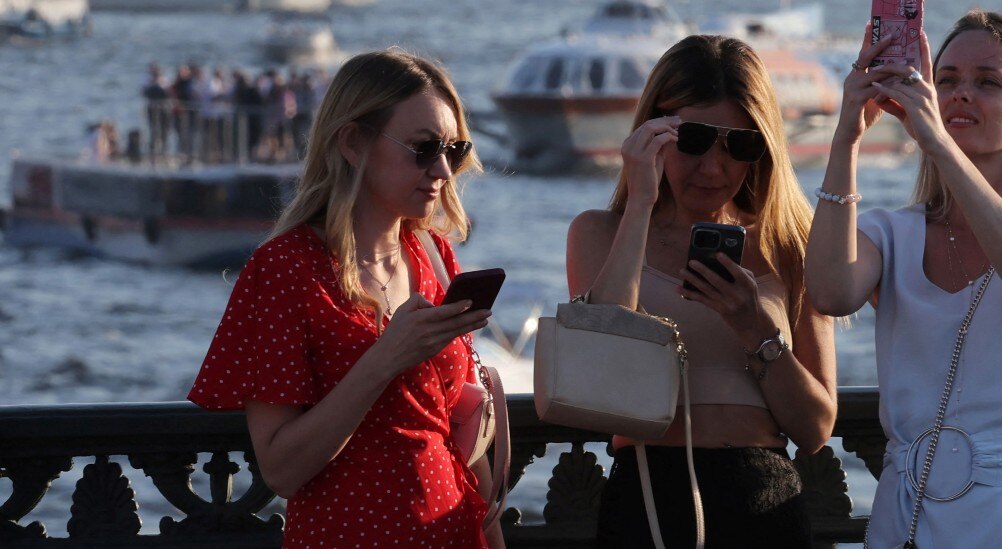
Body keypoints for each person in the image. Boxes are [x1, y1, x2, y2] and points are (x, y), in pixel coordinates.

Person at [804, 10, 1002, 548]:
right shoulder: (888, 232)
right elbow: (831, 294)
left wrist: (939, 146)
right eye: (945, 81)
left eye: (987, 83)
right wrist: (846, 137)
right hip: (906, 515)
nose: (960, 95)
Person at [188, 49, 504, 548]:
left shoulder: (432, 253)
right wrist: (385, 358)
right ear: (354, 143)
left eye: (455, 149)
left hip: (455, 530)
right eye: (423, 148)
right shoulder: (286, 270)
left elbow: (462, 436)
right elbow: (281, 469)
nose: (443, 169)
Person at [566, 35, 837, 549]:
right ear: (652, 131)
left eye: (740, 144)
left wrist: (754, 328)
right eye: (693, 139)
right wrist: (641, 201)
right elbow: (598, 372)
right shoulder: (601, 233)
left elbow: (815, 427)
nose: (713, 167)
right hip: (648, 492)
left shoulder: (788, 246)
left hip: (764, 497)